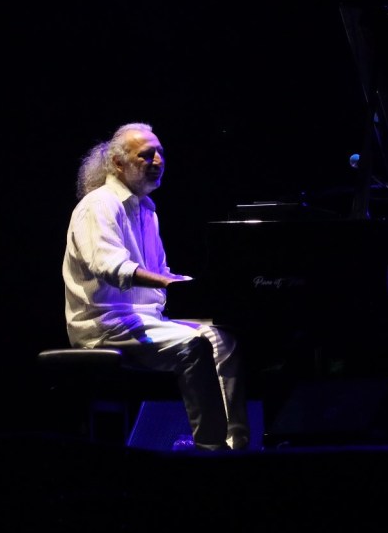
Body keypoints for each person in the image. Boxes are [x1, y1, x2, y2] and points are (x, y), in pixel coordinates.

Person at [62, 122, 249, 451]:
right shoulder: (99, 206)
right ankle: (211, 448)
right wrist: (167, 280)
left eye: (160, 153)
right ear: (118, 164)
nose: (158, 161)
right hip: (104, 323)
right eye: (146, 156)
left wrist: (193, 284)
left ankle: (237, 445)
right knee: (194, 345)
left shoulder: (147, 210)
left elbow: (159, 273)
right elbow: (109, 267)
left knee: (223, 339)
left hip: (145, 319)